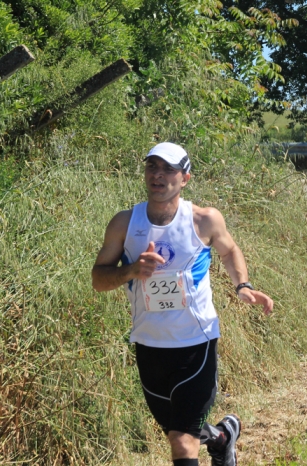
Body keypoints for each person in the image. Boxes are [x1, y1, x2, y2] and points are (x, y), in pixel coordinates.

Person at [91, 142, 273, 466]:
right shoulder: (124, 223)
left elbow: (230, 252)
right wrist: (132, 269)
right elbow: (98, 279)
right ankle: (222, 438)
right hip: (149, 344)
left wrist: (242, 285)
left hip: (195, 342)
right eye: (152, 167)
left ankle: (216, 440)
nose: (158, 175)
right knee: (180, 430)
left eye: (168, 169)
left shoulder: (203, 220)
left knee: (182, 441)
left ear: (185, 178)